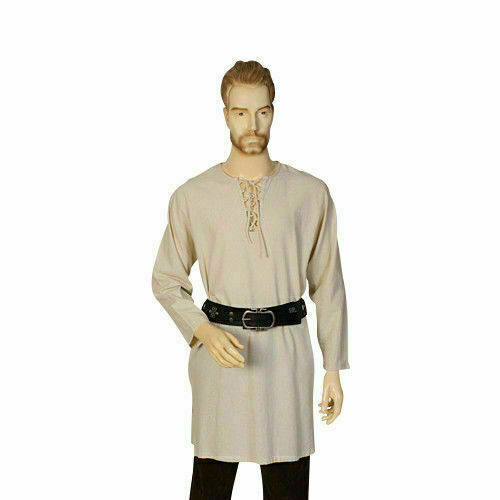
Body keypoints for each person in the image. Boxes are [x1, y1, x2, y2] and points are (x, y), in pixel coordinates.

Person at [152, 60, 349, 499]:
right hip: (221, 354)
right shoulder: (192, 196)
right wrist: (202, 330)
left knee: (288, 483)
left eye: (262, 111)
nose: (252, 124)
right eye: (240, 112)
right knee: (211, 484)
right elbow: (166, 278)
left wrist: (333, 367)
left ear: (273, 111)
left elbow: (329, 286)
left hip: (287, 356)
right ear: (225, 114)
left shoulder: (310, 194)